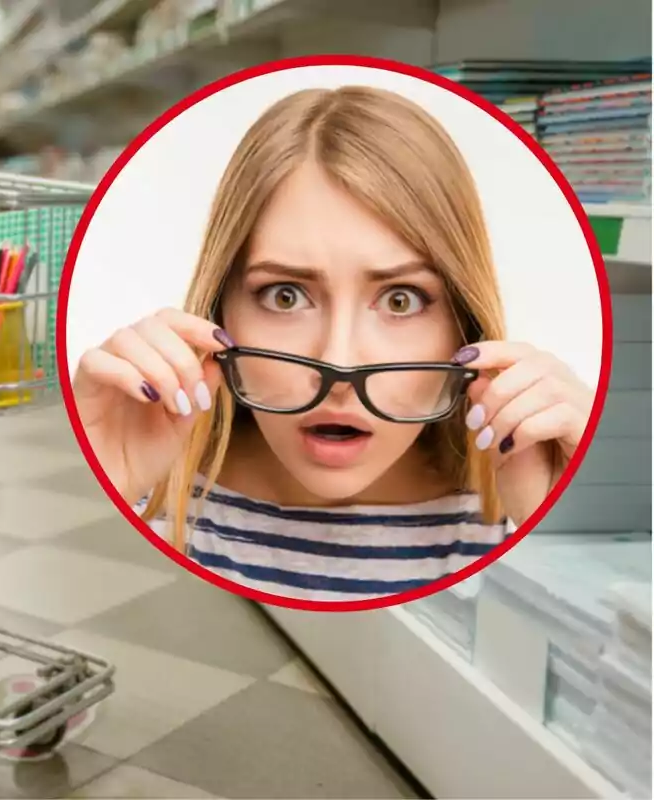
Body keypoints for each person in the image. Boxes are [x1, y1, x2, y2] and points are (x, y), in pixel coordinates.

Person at [71, 85, 594, 602]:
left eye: (400, 300)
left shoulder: (513, 520)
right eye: (285, 295)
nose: (338, 366)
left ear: (464, 324)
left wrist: (563, 533)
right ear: (218, 310)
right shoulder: (148, 504)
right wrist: (99, 490)